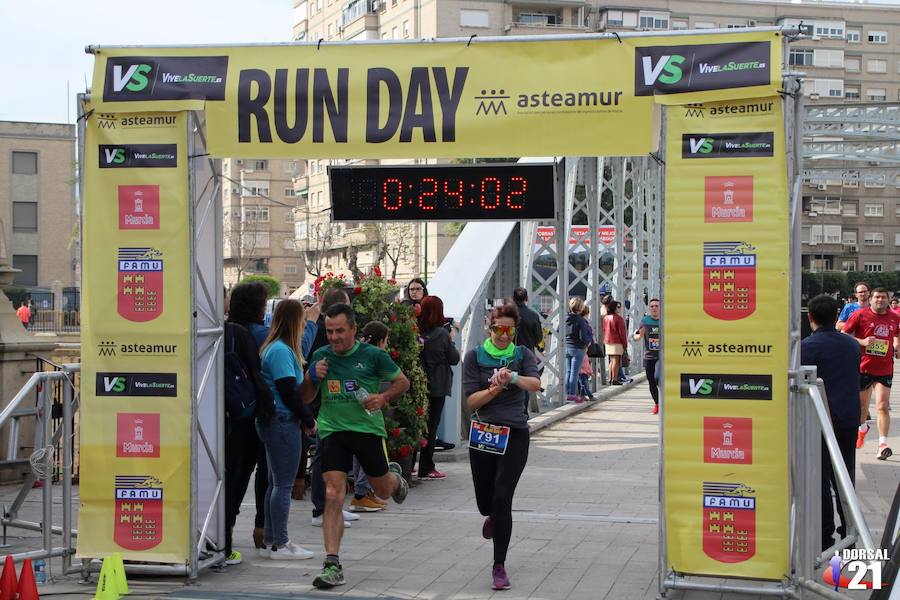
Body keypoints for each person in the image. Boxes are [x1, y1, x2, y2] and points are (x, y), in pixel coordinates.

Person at [303, 303, 411, 589]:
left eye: (340, 331)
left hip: (366, 429)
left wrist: (383, 398)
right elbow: (305, 396)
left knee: (382, 491)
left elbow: (402, 382)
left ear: (353, 329)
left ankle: (394, 478)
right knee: (333, 494)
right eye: (329, 331)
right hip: (332, 429)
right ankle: (332, 563)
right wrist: (311, 377)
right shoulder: (321, 356)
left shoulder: (373, 355)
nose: (334, 337)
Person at [463, 302, 541, 591]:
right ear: (488, 327)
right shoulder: (475, 357)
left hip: (516, 433)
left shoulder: (522, 355)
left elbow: (535, 383)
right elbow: (471, 401)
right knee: (486, 501)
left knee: (502, 497)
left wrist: (513, 377)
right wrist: (494, 388)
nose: (504, 335)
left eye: (509, 329)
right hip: (484, 432)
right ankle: (492, 516)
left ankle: (499, 566)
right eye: (499, 329)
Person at [256, 300, 318, 559]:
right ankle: (280, 543)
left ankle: (272, 540)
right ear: (294, 322)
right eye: (303, 321)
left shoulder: (272, 348)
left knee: (274, 483)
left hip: (274, 420)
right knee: (283, 484)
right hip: (282, 420)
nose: (305, 326)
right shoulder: (281, 351)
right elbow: (288, 392)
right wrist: (308, 420)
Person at [801, 294, 862, 549]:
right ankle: (849, 530)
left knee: (821, 477)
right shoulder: (851, 345)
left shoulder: (807, 347)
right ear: (837, 316)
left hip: (821, 419)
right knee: (845, 476)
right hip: (848, 417)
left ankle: (824, 535)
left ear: (810, 317)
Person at [223, 288, 275, 565]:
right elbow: (262, 373)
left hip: (222, 414)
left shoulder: (224, 331)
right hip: (247, 414)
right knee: (252, 472)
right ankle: (259, 527)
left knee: (229, 475)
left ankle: (226, 531)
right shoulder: (256, 334)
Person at [306, 288, 359, 528]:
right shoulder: (319, 333)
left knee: (336, 453)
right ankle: (321, 508)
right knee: (322, 455)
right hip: (323, 399)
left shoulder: (321, 329)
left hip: (336, 399)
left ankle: (334, 505)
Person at [842, 288, 900, 459]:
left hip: (884, 368)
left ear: (888, 300)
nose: (880, 300)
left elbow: (897, 334)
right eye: (877, 297)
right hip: (864, 367)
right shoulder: (860, 315)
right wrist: (862, 341)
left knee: (882, 405)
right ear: (871, 298)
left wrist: (897, 346)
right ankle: (862, 428)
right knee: (862, 408)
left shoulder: (895, 317)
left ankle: (883, 445)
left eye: (883, 297)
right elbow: (844, 334)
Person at [347, 321, 393, 513]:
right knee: (372, 452)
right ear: (381, 341)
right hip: (367, 410)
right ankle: (361, 493)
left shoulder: (354, 350)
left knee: (360, 454)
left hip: (349, 408)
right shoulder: (375, 356)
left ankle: (363, 493)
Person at [417, 296, 461, 480]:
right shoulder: (442, 334)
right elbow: (454, 359)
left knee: (419, 425)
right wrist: (452, 339)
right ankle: (427, 467)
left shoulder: (416, 331)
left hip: (419, 384)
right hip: (437, 385)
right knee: (431, 426)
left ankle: (413, 465)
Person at [634, 298, 661, 414]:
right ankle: (657, 404)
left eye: (656, 306)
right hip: (649, 356)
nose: (654, 308)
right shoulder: (645, 321)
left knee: (657, 378)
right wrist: (639, 336)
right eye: (652, 306)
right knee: (651, 382)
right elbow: (636, 336)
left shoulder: (665, 320)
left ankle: (664, 401)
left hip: (662, 356)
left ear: (660, 308)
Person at [564, 297, 592, 402]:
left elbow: (558, 330)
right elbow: (583, 337)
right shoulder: (580, 320)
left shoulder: (565, 317)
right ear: (580, 307)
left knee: (568, 371)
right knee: (574, 373)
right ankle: (572, 394)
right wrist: (586, 344)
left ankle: (567, 393)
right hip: (577, 348)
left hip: (567, 346)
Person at [603, 301, 628, 385]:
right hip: (617, 341)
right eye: (618, 307)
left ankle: (610, 378)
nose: (619, 308)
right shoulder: (618, 318)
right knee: (616, 361)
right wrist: (625, 344)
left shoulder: (606, 318)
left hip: (608, 341)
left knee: (611, 361)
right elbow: (622, 332)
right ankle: (614, 379)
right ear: (614, 308)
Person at [512, 288, 542, 353]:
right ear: (527, 298)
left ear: (513, 298)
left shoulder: (507, 315)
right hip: (528, 353)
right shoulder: (534, 315)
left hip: (510, 353)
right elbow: (538, 338)